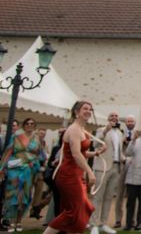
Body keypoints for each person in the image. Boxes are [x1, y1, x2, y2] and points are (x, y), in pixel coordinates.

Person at [44, 100, 105, 234]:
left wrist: (95, 153)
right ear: (77, 112)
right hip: (69, 176)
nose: (88, 111)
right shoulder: (74, 130)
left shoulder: (81, 129)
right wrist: (90, 172)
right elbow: (76, 155)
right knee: (74, 211)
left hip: (76, 175)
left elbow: (81, 153)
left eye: (90, 109)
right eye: (85, 109)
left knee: (77, 211)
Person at [0, 118, 45, 232]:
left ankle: (19, 221)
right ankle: (9, 221)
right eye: (27, 123)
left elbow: (41, 155)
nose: (30, 125)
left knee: (25, 196)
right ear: (24, 125)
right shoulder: (16, 136)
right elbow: (8, 152)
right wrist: (1, 168)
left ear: (34, 126)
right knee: (12, 195)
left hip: (29, 170)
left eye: (32, 124)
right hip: (15, 169)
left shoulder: (37, 139)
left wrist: (34, 162)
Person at [90, 112, 124, 234]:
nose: (114, 118)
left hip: (116, 167)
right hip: (102, 167)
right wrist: (105, 131)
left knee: (109, 197)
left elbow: (118, 151)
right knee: (98, 196)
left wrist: (123, 158)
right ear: (108, 119)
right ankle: (93, 224)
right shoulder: (100, 130)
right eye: (112, 116)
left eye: (116, 116)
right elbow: (95, 144)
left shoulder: (120, 133)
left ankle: (103, 223)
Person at [114, 115, 136, 229]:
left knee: (132, 194)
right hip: (122, 164)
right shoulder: (120, 133)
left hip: (133, 165)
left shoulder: (138, 134)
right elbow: (117, 148)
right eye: (128, 121)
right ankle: (118, 219)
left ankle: (132, 219)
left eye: (132, 121)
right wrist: (122, 158)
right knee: (119, 194)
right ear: (126, 123)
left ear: (135, 122)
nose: (130, 122)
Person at [29, 128, 49, 220]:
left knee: (39, 191)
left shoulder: (44, 143)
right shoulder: (33, 142)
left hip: (41, 169)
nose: (42, 135)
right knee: (29, 190)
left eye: (44, 134)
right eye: (41, 133)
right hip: (33, 169)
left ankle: (35, 210)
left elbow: (46, 154)